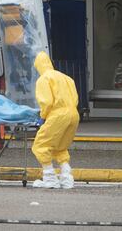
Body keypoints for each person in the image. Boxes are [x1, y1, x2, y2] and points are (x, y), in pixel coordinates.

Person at [31, 51, 80, 189]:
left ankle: (49, 178)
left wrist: (43, 117)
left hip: (58, 115)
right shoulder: (66, 78)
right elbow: (75, 98)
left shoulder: (44, 79)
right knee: (60, 147)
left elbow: (46, 102)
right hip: (73, 114)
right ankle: (66, 178)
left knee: (40, 145)